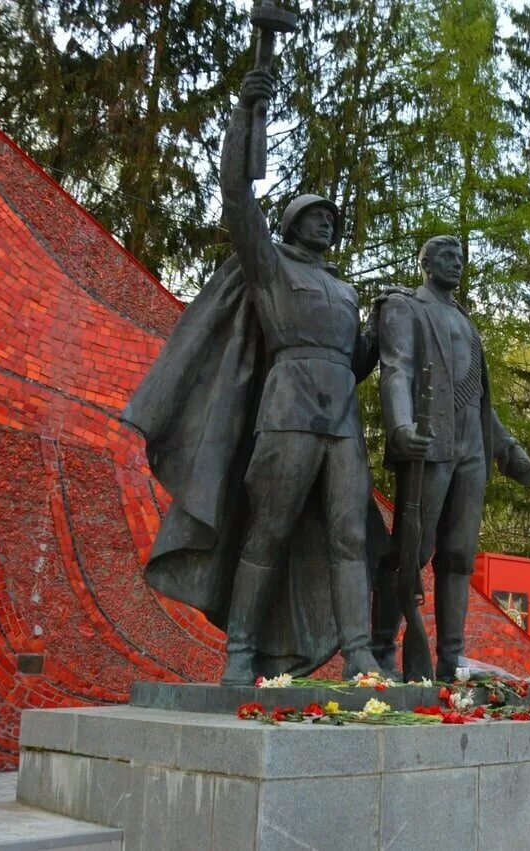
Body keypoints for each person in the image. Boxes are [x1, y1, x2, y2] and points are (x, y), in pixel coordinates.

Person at [123, 69, 388, 684]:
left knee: (349, 533)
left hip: (342, 420)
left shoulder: (343, 289)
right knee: (267, 531)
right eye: (315, 215)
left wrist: (380, 338)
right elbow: (238, 197)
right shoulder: (269, 268)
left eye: (332, 218)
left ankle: (359, 654)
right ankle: (240, 652)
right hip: (288, 412)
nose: (326, 222)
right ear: (292, 223)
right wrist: (248, 113)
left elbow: (351, 363)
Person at [372, 236, 530, 679]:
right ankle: (382, 649)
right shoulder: (407, 306)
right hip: (429, 443)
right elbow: (396, 368)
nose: (457, 264)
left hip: (471, 451)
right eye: (447, 257)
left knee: (460, 557)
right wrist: (400, 427)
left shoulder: (465, 321)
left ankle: (450, 659)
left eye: (461, 258)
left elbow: (478, 400)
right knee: (412, 550)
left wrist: (509, 452)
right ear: (425, 263)